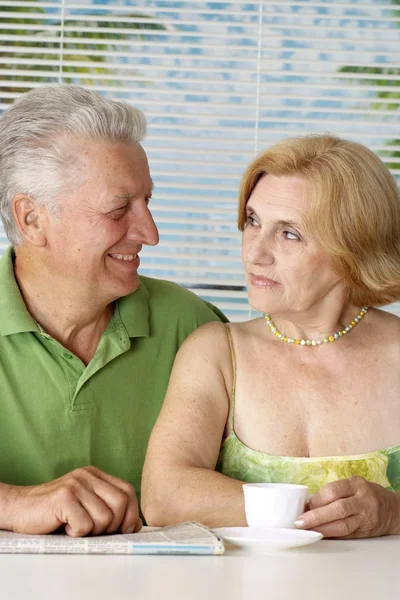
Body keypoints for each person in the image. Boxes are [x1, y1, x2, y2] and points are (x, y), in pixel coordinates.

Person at [142, 134, 400, 539]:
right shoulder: (216, 352)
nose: (254, 253)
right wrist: (309, 513)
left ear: (354, 247)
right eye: (252, 221)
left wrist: (395, 513)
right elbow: (163, 496)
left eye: (289, 234)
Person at [0, 85, 226, 537]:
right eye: (119, 208)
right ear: (32, 219)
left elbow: (270, 482)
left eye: (147, 202)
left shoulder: (195, 327)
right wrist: (12, 502)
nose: (150, 232)